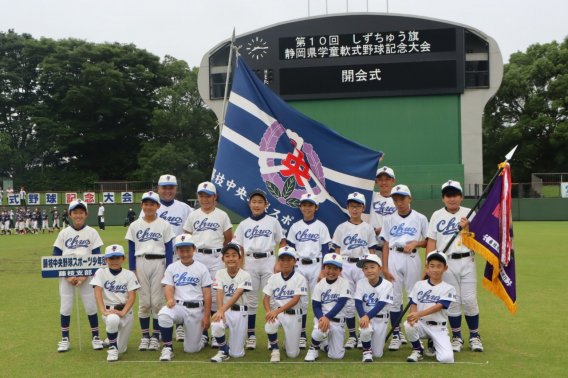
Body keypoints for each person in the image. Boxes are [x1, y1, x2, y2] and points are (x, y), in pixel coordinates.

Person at [427, 180, 483, 353]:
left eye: (455, 195)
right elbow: (432, 241)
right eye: (448, 196)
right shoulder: (436, 215)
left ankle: (475, 336)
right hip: (446, 263)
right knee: (453, 301)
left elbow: (478, 240)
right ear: (443, 198)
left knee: (470, 300)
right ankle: (457, 337)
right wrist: (428, 265)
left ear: (461, 197)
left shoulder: (470, 213)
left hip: (467, 260)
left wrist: (467, 228)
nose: (452, 199)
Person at [233, 189, 286, 350]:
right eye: (254, 201)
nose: (257, 205)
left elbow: (282, 241)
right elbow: (239, 247)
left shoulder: (272, 221)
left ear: (266, 204)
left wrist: (279, 261)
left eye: (260, 202)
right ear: (249, 204)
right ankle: (251, 336)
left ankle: (273, 338)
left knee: (273, 298)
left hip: (269, 260)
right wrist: (239, 266)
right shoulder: (243, 224)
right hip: (250, 261)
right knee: (251, 300)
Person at [183, 182, 232, 346]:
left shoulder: (222, 215)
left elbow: (228, 238)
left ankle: (216, 330)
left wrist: (220, 254)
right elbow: (187, 237)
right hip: (198, 256)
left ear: (215, 197)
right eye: (201, 196)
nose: (205, 199)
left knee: (216, 293)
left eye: (208, 196)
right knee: (199, 293)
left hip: (216, 256)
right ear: (198, 197)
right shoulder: (193, 215)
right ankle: (203, 333)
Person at [380, 185, 429, 351]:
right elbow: (386, 245)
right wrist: (385, 268)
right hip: (394, 255)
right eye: (395, 199)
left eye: (402, 198)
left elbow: (429, 241)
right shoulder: (389, 219)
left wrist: (416, 242)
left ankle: (415, 332)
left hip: (412, 257)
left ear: (410, 198)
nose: (399, 202)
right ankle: (396, 334)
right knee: (394, 298)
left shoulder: (420, 218)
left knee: (413, 295)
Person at [52, 199, 104, 352]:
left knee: (90, 306)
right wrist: (68, 276)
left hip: (87, 276)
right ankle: (65, 338)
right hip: (66, 276)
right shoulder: (64, 233)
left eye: (81, 212)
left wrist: (84, 276)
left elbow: (97, 257)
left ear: (86, 214)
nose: (78, 215)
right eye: (75, 212)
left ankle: (95, 337)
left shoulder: (92, 232)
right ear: (70, 214)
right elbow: (56, 256)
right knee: (66, 306)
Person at [125, 191, 175, 352]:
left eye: (152, 204)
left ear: (158, 206)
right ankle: (145, 336)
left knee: (157, 303)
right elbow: (131, 248)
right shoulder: (135, 225)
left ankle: (155, 336)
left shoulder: (164, 224)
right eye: (146, 204)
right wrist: (132, 269)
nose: (149, 207)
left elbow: (169, 250)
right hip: (140, 262)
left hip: (159, 262)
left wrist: (168, 270)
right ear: (141, 205)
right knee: (145, 302)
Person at [331, 192, 376, 350]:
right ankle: (352, 336)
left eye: (357, 206)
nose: (354, 209)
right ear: (347, 207)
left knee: (363, 300)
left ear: (363, 208)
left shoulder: (368, 228)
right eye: (351, 206)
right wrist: (338, 268)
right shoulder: (341, 227)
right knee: (348, 301)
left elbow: (372, 251)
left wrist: (373, 268)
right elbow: (336, 250)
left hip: (363, 265)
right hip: (346, 265)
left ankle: (364, 332)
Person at [157, 234, 213, 361]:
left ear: (194, 249)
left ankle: (201, 338)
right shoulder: (172, 267)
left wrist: (206, 316)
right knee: (164, 314)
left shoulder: (201, 268)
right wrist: (170, 298)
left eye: (188, 250)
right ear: (177, 251)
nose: (185, 254)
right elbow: (169, 288)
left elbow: (207, 294)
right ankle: (167, 348)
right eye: (181, 250)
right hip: (179, 307)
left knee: (191, 350)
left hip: (197, 309)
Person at [286, 193, 331, 349]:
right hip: (299, 266)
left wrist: (323, 270)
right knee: (300, 301)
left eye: (310, 205)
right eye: (304, 205)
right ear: (300, 207)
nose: (307, 208)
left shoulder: (321, 226)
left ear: (316, 207)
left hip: (316, 266)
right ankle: (302, 335)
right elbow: (290, 250)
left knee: (320, 300)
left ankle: (322, 335)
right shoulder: (295, 226)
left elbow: (326, 250)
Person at [404, 251, 456, 363]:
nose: (435, 269)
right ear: (427, 267)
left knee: (446, 359)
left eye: (439, 266)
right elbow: (414, 303)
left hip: (438, 327)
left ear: (445, 268)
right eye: (432, 266)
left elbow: (439, 306)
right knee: (408, 325)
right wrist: (413, 316)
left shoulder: (449, 288)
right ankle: (417, 350)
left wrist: (419, 314)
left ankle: (433, 342)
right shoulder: (419, 284)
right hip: (421, 323)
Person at [92, 244, 140, 362]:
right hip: (109, 311)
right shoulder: (100, 272)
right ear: (105, 259)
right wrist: (103, 311)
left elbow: (132, 297)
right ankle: (112, 347)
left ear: (123, 258)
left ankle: (111, 339)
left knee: (122, 349)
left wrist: (123, 312)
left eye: (117, 258)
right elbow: (97, 293)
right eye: (111, 258)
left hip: (126, 312)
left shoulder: (129, 274)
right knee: (113, 319)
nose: (114, 261)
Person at [263, 246, 308, 362]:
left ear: (295, 261)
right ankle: (275, 350)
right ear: (278, 261)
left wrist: (276, 311)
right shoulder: (273, 278)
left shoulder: (300, 278)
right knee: (270, 323)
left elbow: (295, 300)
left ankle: (288, 342)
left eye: (289, 259)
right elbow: (266, 298)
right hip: (279, 314)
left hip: (294, 314)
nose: (285, 263)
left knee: (292, 354)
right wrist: (269, 312)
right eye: (282, 259)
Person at [210, 243, 252, 363]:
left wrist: (221, 310)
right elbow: (219, 292)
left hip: (240, 312)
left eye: (234, 255)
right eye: (227, 256)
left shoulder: (245, 275)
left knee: (237, 354)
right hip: (226, 310)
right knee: (216, 324)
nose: (231, 258)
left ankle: (234, 344)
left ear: (240, 258)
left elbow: (237, 294)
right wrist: (220, 311)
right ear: (223, 259)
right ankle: (223, 350)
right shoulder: (220, 273)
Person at [304, 253, 351, 362]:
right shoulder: (319, 285)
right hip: (322, 318)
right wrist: (322, 318)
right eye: (328, 267)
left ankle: (324, 345)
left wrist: (327, 317)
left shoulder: (344, 283)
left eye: (335, 268)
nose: (331, 271)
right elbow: (315, 306)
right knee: (319, 330)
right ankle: (313, 348)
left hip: (338, 321)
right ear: (323, 268)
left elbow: (341, 303)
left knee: (336, 356)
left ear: (340, 270)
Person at [354, 254, 394, 362]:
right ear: (362, 271)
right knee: (365, 329)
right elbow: (358, 301)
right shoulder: (361, 282)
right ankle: (366, 351)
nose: (369, 270)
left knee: (377, 354)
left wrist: (367, 317)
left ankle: (365, 340)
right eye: (365, 268)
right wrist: (364, 317)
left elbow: (381, 304)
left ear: (380, 269)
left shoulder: (387, 284)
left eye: (372, 267)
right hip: (365, 316)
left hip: (381, 318)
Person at [369, 167, 397, 265]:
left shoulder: (399, 199)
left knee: (393, 279)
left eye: (387, 179)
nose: (383, 182)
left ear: (393, 181)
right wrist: (374, 163)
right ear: (376, 182)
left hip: (393, 249)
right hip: (374, 248)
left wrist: (386, 229)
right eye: (380, 179)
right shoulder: (371, 197)